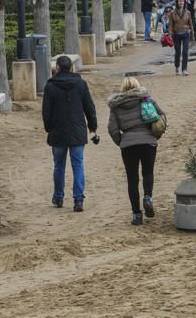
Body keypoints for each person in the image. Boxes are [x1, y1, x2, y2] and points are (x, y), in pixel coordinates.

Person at [107, 77, 166, 225]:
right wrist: (155, 135)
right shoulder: (145, 99)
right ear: (137, 86)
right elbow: (162, 117)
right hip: (148, 141)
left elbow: (112, 128)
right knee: (148, 172)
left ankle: (136, 215)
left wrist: (121, 141)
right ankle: (148, 197)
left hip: (128, 144)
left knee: (132, 179)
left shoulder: (116, 106)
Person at [42, 55, 98, 212]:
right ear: (71, 67)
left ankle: (58, 196)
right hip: (77, 130)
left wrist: (49, 128)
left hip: (57, 131)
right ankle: (78, 198)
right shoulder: (80, 84)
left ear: (57, 67)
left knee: (59, 166)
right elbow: (89, 108)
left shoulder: (50, 86)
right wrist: (92, 127)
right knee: (78, 165)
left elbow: (46, 112)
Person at [168, 0, 194, 75]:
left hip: (185, 33)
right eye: (179, 1)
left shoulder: (188, 12)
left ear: (184, 2)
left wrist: (192, 33)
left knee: (185, 52)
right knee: (178, 52)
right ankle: (177, 66)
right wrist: (170, 33)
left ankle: (184, 69)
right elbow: (170, 24)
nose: (181, 2)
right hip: (176, 34)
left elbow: (191, 24)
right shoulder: (172, 13)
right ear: (177, 2)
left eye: (182, 1)